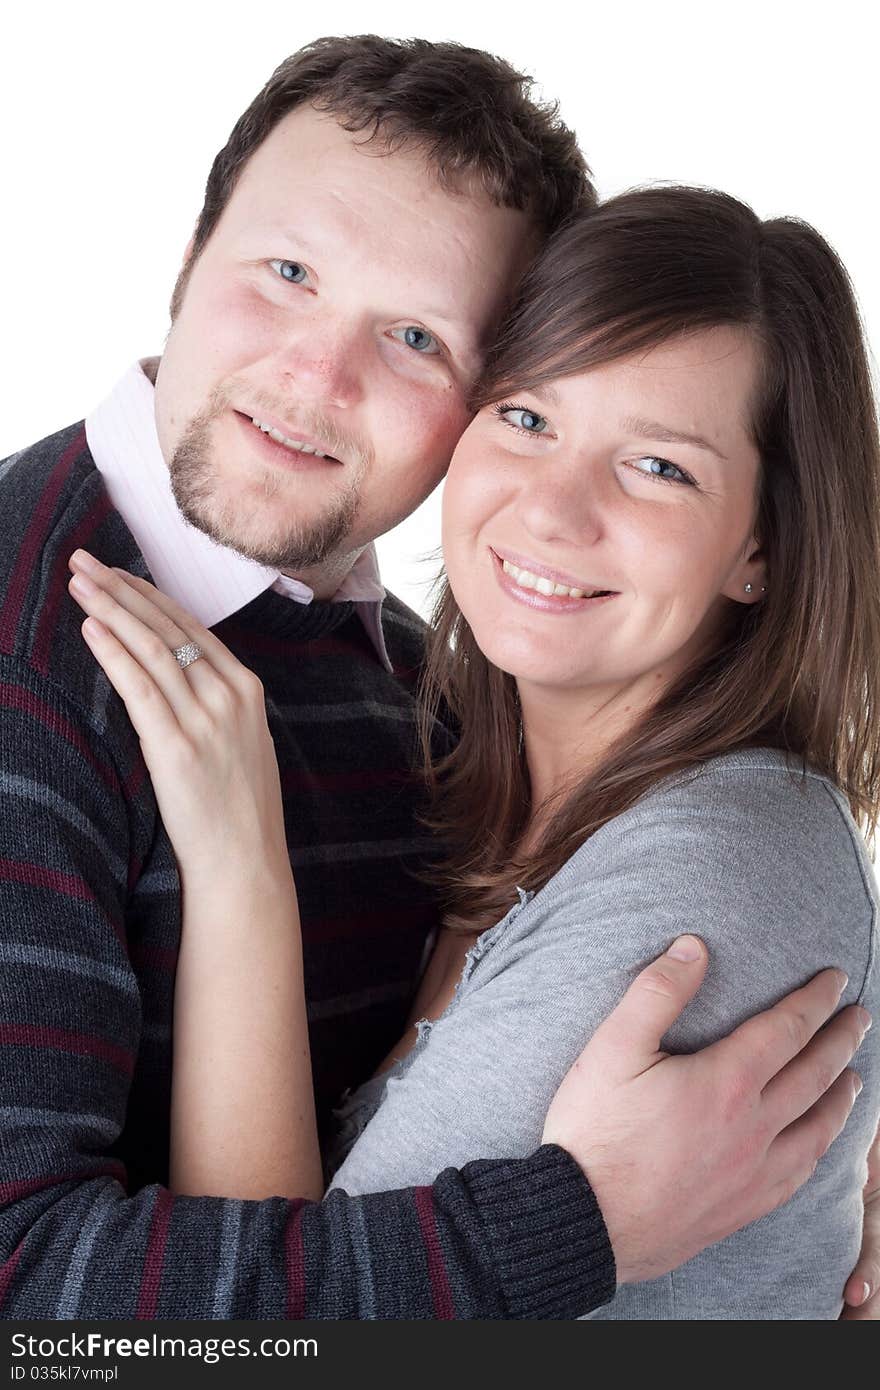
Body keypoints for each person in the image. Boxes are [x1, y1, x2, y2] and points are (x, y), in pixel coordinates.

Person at [0, 35, 870, 1319]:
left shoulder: (428, 687)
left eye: (415, 335)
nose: (319, 373)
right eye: (285, 271)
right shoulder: (30, 674)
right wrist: (580, 1223)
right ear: (186, 261)